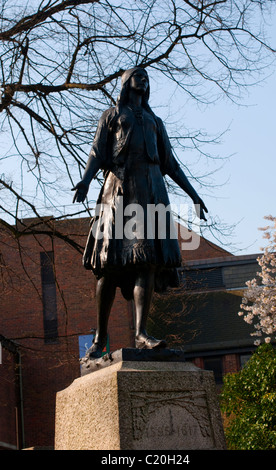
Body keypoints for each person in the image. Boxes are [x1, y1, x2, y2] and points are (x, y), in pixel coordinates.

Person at [73, 67, 208, 358]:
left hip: (151, 191)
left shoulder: (155, 122)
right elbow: (97, 152)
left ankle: (141, 334)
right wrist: (85, 179)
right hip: (118, 191)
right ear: (126, 82)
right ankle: (99, 338)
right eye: (138, 75)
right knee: (109, 265)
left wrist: (193, 195)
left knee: (146, 263)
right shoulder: (112, 115)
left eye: (147, 77)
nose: (144, 80)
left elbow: (171, 163)